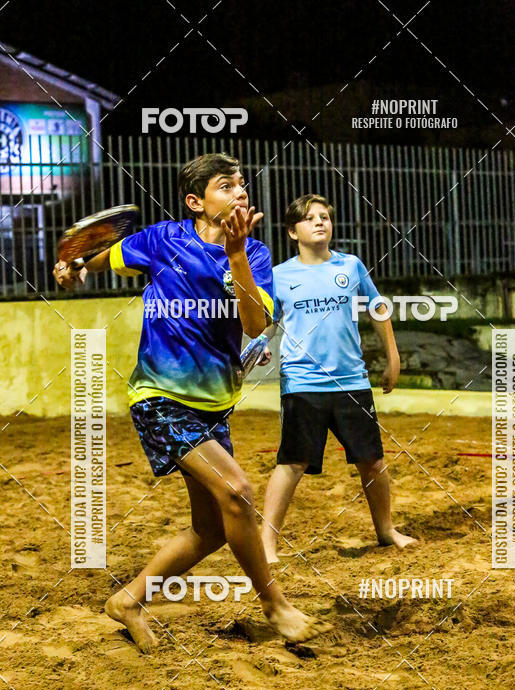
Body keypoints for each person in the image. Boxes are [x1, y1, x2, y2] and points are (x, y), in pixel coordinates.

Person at [54, 155, 331, 651]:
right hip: (159, 395)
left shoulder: (256, 254)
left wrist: (237, 254)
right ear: (196, 202)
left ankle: (128, 600)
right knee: (238, 492)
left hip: (213, 405)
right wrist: (74, 267)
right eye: (226, 186)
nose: (241, 191)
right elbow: (100, 259)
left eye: (242, 184)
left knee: (212, 530)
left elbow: (254, 325)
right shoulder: (163, 239)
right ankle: (275, 606)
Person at [260, 193, 416, 564]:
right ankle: (266, 544)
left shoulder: (351, 265)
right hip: (302, 385)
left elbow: (378, 308)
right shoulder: (279, 276)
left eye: (325, 216)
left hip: (352, 383)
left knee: (372, 461)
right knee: (292, 464)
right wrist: (259, 346)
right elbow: (267, 324)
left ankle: (386, 530)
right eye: (310, 217)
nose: (320, 222)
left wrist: (393, 357)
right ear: (292, 232)